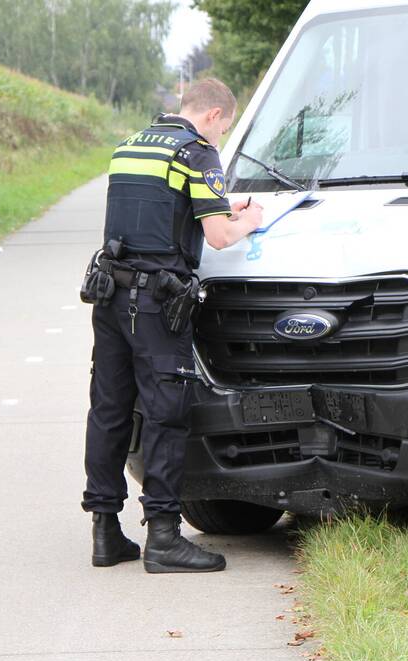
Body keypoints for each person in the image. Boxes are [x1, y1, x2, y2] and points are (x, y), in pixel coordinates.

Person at [82, 78, 263, 573]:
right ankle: (163, 537)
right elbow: (221, 236)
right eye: (223, 128)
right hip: (158, 304)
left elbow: (154, 214)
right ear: (212, 117)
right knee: (165, 412)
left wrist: (221, 210)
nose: (221, 136)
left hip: (110, 295)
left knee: (110, 409)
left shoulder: (129, 147)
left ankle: (105, 532)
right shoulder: (196, 152)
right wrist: (247, 219)